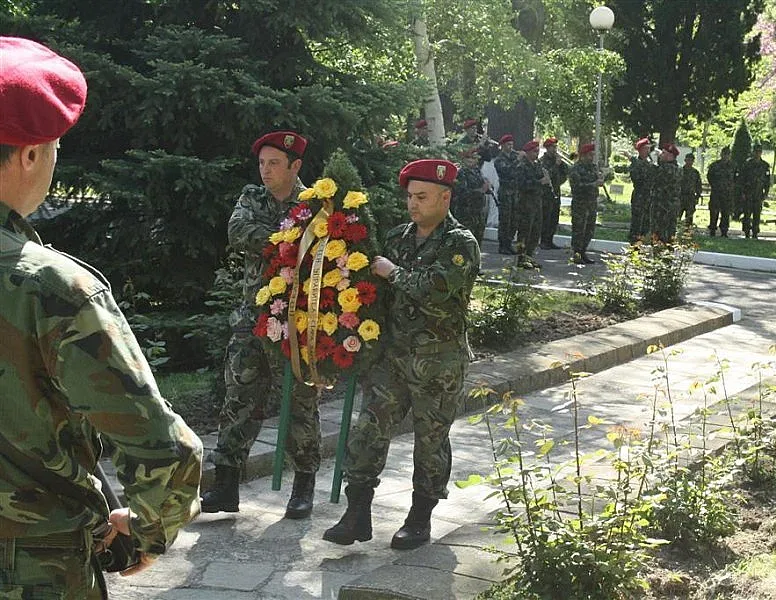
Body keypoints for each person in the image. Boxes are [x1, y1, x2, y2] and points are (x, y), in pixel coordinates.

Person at [0, 36, 203, 597]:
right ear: (31, 153)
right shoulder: (51, 287)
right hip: (31, 570)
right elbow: (163, 450)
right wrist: (143, 531)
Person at [323, 159, 480, 550]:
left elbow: (436, 288)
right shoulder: (396, 237)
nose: (413, 204)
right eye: (410, 196)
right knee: (368, 430)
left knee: (430, 440)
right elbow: (371, 295)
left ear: (445, 197)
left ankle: (419, 517)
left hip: (438, 361)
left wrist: (392, 272)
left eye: (422, 197)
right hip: (391, 357)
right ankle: (357, 512)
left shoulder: (460, 243)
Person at [200, 130, 321, 520]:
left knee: (300, 403)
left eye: (274, 164)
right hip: (252, 319)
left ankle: (302, 488)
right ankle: (225, 487)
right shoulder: (252, 197)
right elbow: (238, 232)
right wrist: (287, 240)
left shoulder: (315, 203)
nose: (266, 171)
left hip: (298, 320)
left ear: (295, 166)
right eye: (262, 164)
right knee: (239, 398)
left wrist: (288, 240)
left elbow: (323, 246)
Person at [516, 140, 550, 269]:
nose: (536, 154)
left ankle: (530, 256)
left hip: (536, 202)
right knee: (525, 232)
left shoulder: (537, 165)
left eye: (537, 151)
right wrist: (540, 182)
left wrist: (545, 181)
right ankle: (521, 258)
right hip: (525, 203)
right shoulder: (522, 166)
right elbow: (522, 185)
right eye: (534, 152)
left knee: (535, 231)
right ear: (528, 152)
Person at [568, 143, 602, 264]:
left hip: (591, 203)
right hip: (580, 204)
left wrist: (600, 180)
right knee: (579, 229)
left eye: (593, 155)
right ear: (583, 156)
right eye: (589, 155)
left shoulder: (593, 167)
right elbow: (576, 187)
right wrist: (593, 184)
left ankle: (583, 252)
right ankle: (576, 254)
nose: (592, 157)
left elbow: (597, 179)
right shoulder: (575, 169)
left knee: (589, 229)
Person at [451, 147, 489, 244]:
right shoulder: (461, 173)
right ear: (463, 159)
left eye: (474, 158)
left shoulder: (477, 172)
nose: (471, 160)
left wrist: (487, 187)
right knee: (465, 242)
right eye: (468, 158)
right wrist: (481, 191)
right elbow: (462, 193)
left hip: (478, 212)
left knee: (477, 241)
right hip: (465, 212)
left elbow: (483, 187)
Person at [539, 137, 569, 250]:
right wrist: (556, 165)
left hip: (556, 191)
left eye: (555, 147)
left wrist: (561, 164)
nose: (555, 149)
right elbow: (547, 175)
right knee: (546, 217)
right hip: (546, 193)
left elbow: (565, 173)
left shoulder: (558, 160)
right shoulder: (543, 161)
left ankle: (550, 240)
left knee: (554, 218)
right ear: (547, 148)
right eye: (552, 147)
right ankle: (543, 241)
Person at [649, 142, 682, 243]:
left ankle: (660, 256)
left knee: (659, 234)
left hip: (663, 207)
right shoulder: (677, 168)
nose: (660, 155)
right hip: (670, 206)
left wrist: (651, 158)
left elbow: (653, 170)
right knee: (669, 234)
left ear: (670, 155)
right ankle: (665, 255)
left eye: (663, 153)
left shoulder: (667, 168)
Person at [494, 133, 521, 254]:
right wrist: (518, 160)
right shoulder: (499, 159)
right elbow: (507, 171)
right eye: (508, 145)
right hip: (505, 192)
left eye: (512, 144)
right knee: (505, 219)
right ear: (503, 146)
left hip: (515, 192)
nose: (511, 147)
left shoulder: (514, 156)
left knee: (514, 219)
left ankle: (509, 242)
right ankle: (503, 245)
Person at [740, 143, 771, 239]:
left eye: (759, 152)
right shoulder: (747, 164)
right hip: (748, 193)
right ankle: (746, 232)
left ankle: (755, 232)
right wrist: (742, 193)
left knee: (757, 214)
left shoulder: (765, 165)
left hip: (758, 194)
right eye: (756, 151)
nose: (757, 153)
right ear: (753, 152)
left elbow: (767, 181)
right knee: (747, 214)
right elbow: (742, 179)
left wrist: (766, 193)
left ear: (761, 153)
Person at [629, 137, 655, 243]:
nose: (648, 151)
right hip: (639, 197)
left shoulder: (650, 163)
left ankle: (641, 244)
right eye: (645, 149)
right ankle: (634, 246)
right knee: (637, 223)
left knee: (646, 224)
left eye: (649, 149)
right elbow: (638, 179)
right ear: (639, 150)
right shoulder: (635, 164)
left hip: (649, 197)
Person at [706, 146, 736, 237]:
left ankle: (724, 231)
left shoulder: (733, 166)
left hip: (727, 194)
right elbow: (709, 177)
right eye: (724, 154)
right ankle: (712, 230)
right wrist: (715, 186)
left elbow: (736, 179)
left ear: (730, 155)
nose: (726, 156)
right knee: (714, 212)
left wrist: (731, 187)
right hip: (716, 193)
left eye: (727, 154)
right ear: (721, 154)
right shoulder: (715, 165)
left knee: (726, 213)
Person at [679, 152, 703, 229]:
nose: (689, 162)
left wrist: (698, 196)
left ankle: (687, 233)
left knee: (689, 218)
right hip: (681, 196)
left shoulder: (695, 172)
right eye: (688, 160)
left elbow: (698, 185)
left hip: (690, 197)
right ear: (685, 160)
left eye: (691, 160)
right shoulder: (680, 171)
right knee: (677, 216)